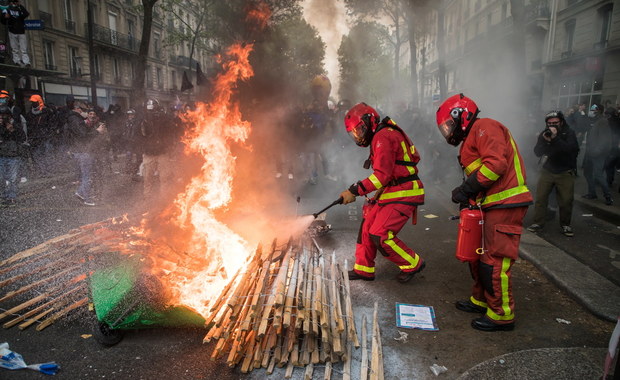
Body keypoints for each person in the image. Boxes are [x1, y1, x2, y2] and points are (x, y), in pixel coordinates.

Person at [436, 93, 532, 332]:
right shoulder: (472, 136)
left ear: (462, 116)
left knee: (494, 262)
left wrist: (466, 189)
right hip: (491, 204)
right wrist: (469, 197)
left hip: (505, 204)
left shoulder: (484, 126)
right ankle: (481, 301)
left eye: (449, 125)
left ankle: (501, 315)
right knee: (478, 257)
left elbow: (495, 166)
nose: (448, 131)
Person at [339, 103, 426, 283]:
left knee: (380, 235)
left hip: (405, 191)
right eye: (354, 133)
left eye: (360, 130)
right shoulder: (382, 134)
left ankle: (413, 263)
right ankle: (363, 269)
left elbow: (381, 176)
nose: (358, 136)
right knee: (367, 226)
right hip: (394, 189)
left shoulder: (383, 136)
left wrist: (355, 190)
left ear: (369, 121)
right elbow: (385, 176)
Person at [526, 111, 579, 237]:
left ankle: (565, 224)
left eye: (555, 123)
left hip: (565, 171)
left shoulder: (569, 133)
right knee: (541, 197)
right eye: (549, 123)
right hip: (548, 170)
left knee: (566, 200)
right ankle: (538, 223)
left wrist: (555, 139)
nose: (552, 126)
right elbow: (537, 152)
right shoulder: (545, 134)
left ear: (561, 122)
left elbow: (570, 149)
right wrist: (546, 141)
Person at [140, 98, 181, 202]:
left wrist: (169, 147)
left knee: (164, 178)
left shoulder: (164, 118)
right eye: (149, 108)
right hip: (149, 153)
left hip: (162, 152)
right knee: (147, 178)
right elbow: (140, 135)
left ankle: (164, 200)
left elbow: (171, 133)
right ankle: (147, 199)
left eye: (153, 108)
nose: (151, 111)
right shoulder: (142, 119)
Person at [66, 102, 97, 206]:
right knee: (86, 177)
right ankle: (86, 198)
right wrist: (97, 131)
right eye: (84, 110)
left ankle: (81, 193)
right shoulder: (76, 120)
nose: (86, 113)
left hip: (78, 151)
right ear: (78, 109)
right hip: (83, 151)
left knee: (86, 176)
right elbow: (83, 135)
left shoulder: (72, 119)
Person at [582, 104, 613, 205]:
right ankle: (592, 193)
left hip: (597, 153)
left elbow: (605, 139)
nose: (591, 111)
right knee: (587, 173)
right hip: (590, 152)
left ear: (599, 110)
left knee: (598, 175)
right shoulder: (594, 120)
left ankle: (608, 196)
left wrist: (597, 151)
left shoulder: (603, 121)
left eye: (593, 110)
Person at [25, 94, 57, 177]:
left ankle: (49, 171)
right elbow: (29, 127)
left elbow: (52, 124)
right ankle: (41, 171)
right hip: (36, 139)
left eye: (34, 102)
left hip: (46, 138)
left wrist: (49, 134)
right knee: (38, 155)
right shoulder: (29, 114)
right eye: (32, 102)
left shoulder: (47, 112)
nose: (33, 104)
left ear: (39, 102)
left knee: (47, 154)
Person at [0, 105, 26, 206]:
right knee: (1, 178)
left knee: (12, 178)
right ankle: (4, 196)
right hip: (2, 154)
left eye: (4, 116)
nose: (2, 118)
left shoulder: (15, 124)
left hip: (13, 155)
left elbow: (22, 137)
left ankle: (12, 196)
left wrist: (12, 129)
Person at [0, 0, 30, 67]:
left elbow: (26, 14)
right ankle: (16, 61)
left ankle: (26, 62)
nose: (14, 3)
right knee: (14, 48)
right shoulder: (7, 10)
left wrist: (20, 5)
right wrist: (5, 17)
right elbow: (2, 21)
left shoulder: (19, 9)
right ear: (10, 2)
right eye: (13, 2)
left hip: (21, 31)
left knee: (23, 48)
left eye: (16, 2)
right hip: (12, 31)